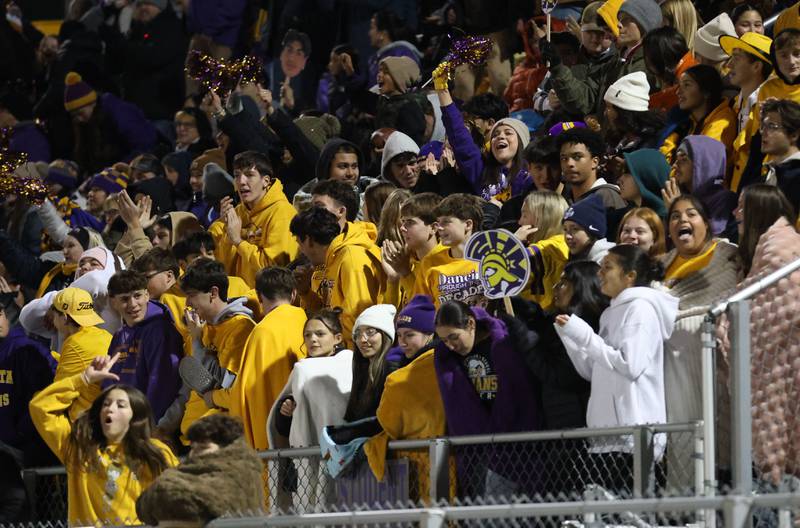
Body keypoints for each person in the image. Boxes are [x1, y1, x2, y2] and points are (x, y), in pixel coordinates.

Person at [555, 244, 677, 495]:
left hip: (633, 435)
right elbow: (593, 370)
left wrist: (585, 336)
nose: (599, 273)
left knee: (633, 516)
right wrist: (571, 337)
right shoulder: (611, 313)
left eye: (607, 267)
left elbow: (630, 365)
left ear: (629, 275)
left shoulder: (641, 309)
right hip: (605, 435)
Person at [29, 354, 178, 526]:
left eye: (120, 405)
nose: (110, 409)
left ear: (136, 416)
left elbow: (175, 502)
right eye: (106, 404)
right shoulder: (78, 448)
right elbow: (40, 407)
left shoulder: (155, 452)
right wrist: (84, 378)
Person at [662, 195, 742, 489]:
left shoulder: (728, 256)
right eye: (674, 216)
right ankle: (684, 510)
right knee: (682, 439)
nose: (682, 220)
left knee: (719, 439)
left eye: (691, 214)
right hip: (674, 369)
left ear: (706, 224)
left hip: (717, 363)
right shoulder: (660, 266)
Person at [433, 300, 542, 496]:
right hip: (476, 453)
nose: (450, 346)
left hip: (516, 445)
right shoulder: (446, 358)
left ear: (471, 324)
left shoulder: (503, 342)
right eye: (444, 340)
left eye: (454, 337)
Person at [363, 295, 445, 503]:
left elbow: (386, 422)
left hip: (428, 465)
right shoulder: (404, 366)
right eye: (399, 336)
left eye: (409, 335)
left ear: (430, 333)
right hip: (437, 463)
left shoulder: (405, 376)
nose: (403, 343)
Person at [226, 267, 306, 451]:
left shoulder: (261, 331)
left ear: (259, 297)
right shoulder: (307, 321)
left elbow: (245, 392)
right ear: (293, 294)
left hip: (272, 439)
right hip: (306, 430)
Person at [136, 414, 263, 528]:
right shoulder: (188, 471)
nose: (194, 453)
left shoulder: (240, 471)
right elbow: (144, 506)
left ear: (227, 447)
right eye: (192, 448)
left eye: (203, 447)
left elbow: (197, 502)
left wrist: (165, 490)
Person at [178, 258, 256, 438]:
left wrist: (197, 341)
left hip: (220, 437)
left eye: (192, 295)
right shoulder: (199, 328)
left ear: (213, 292)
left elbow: (225, 384)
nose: (187, 303)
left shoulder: (240, 328)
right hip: (193, 434)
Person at [290, 207, 383, 347]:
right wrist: (306, 293)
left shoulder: (352, 259)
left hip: (357, 354)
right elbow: (328, 313)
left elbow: (358, 320)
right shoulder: (331, 260)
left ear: (309, 240)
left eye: (299, 243)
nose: (301, 251)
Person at [0, 295, 56, 524]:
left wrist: (21, 433)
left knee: (29, 509)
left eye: (0, 313)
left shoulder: (27, 349)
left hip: (27, 450)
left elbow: (46, 396)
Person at [435, 70, 531, 201]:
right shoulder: (482, 171)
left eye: (508, 133)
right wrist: (442, 91)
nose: (500, 137)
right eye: (496, 135)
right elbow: (459, 136)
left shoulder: (531, 176)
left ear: (522, 142)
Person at [209, 150, 299, 286]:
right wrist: (227, 236)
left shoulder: (283, 213)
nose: (241, 182)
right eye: (237, 175)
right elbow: (221, 269)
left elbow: (276, 272)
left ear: (266, 181)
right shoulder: (237, 212)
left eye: (249, 175)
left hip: (269, 301)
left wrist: (239, 242)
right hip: (238, 299)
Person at [106, 270, 183, 426]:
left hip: (146, 426)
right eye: (124, 299)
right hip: (122, 423)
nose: (133, 304)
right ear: (113, 302)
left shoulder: (160, 330)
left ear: (147, 295)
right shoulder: (119, 335)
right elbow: (110, 380)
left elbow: (162, 385)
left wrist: (148, 425)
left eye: (137, 296)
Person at [732, 26, 800, 192]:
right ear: (775, 59)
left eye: (797, 54)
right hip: (768, 171)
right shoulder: (767, 89)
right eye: (783, 55)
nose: (791, 61)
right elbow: (757, 140)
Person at [63, 72, 158, 174]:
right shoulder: (86, 124)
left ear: (92, 103)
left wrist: (118, 169)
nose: (78, 119)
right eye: (74, 116)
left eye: (80, 113)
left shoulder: (118, 113)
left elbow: (143, 143)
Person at [382, 192, 449, 310]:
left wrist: (406, 274)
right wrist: (393, 278)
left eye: (410, 222)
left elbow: (427, 311)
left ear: (433, 228)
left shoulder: (446, 262)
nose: (402, 228)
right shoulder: (408, 261)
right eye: (403, 222)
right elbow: (391, 314)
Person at [417, 194, 485, 308]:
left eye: (446, 222)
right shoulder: (430, 262)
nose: (439, 227)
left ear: (468, 225)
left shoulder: (490, 258)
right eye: (438, 222)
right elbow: (420, 308)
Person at [557, 127, 629, 234]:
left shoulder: (608, 197)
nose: (569, 164)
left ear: (595, 162)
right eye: (564, 158)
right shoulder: (564, 198)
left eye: (577, 157)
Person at [660, 65, 736, 165]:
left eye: (686, 85)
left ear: (706, 92)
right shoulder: (686, 124)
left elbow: (700, 167)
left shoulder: (721, 122)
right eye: (679, 85)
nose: (678, 92)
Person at [666, 135, 737, 237]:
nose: (675, 165)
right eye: (676, 159)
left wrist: (676, 210)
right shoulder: (680, 195)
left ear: (704, 165)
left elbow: (708, 242)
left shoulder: (724, 200)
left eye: (683, 159)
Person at [515, 191, 570, 311]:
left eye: (524, 215)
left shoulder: (541, 249)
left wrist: (513, 243)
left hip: (537, 319)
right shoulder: (565, 244)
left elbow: (499, 276)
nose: (520, 222)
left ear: (542, 218)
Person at [344, 304, 397, 422]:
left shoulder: (393, 371)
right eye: (357, 334)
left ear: (386, 336)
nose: (362, 340)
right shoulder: (362, 371)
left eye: (370, 332)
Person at [48, 287, 113, 383]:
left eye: (54, 316)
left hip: (87, 398)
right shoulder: (105, 335)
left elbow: (60, 387)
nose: (53, 321)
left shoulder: (74, 343)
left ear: (65, 317)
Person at [735, 185, 797, 275]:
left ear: (760, 212)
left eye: (741, 207)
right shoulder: (757, 242)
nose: (734, 212)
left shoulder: (777, 251)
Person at [720, 32, 772, 134]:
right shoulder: (735, 103)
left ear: (756, 66)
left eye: (736, 58)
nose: (729, 65)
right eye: (731, 57)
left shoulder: (767, 112)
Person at [642, 27, 697, 112]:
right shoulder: (692, 64)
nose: (647, 63)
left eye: (647, 56)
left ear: (658, 58)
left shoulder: (684, 83)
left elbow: (648, 105)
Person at [759, 99, 800, 204]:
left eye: (771, 126)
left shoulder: (797, 176)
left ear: (794, 135)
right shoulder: (768, 173)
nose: (763, 132)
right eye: (763, 126)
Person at [617, 149, 670, 218]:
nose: (619, 180)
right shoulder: (622, 217)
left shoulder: (667, 222)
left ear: (647, 176)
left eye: (627, 172)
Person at [563, 194, 615, 263]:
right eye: (565, 229)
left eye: (575, 229)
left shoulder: (606, 261)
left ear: (593, 231)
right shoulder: (578, 257)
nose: (567, 236)